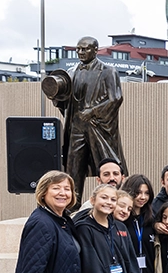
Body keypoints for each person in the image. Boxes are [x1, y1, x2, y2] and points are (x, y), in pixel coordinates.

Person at [53, 37, 126, 191]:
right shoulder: (71, 72)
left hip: (99, 127)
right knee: (73, 169)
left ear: (95, 50)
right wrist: (56, 96)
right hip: (76, 128)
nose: (80, 52)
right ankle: (71, 205)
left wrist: (92, 112)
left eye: (84, 49)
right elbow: (66, 101)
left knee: (110, 168)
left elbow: (116, 99)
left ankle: (117, 201)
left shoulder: (108, 71)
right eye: (78, 49)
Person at [73, 184, 140, 273]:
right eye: (104, 198)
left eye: (113, 200)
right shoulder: (84, 229)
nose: (108, 202)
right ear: (92, 200)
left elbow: (132, 265)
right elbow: (92, 270)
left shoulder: (120, 228)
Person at [122, 174, 156, 273]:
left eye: (146, 193)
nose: (142, 197)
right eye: (138, 192)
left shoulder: (152, 219)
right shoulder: (121, 220)